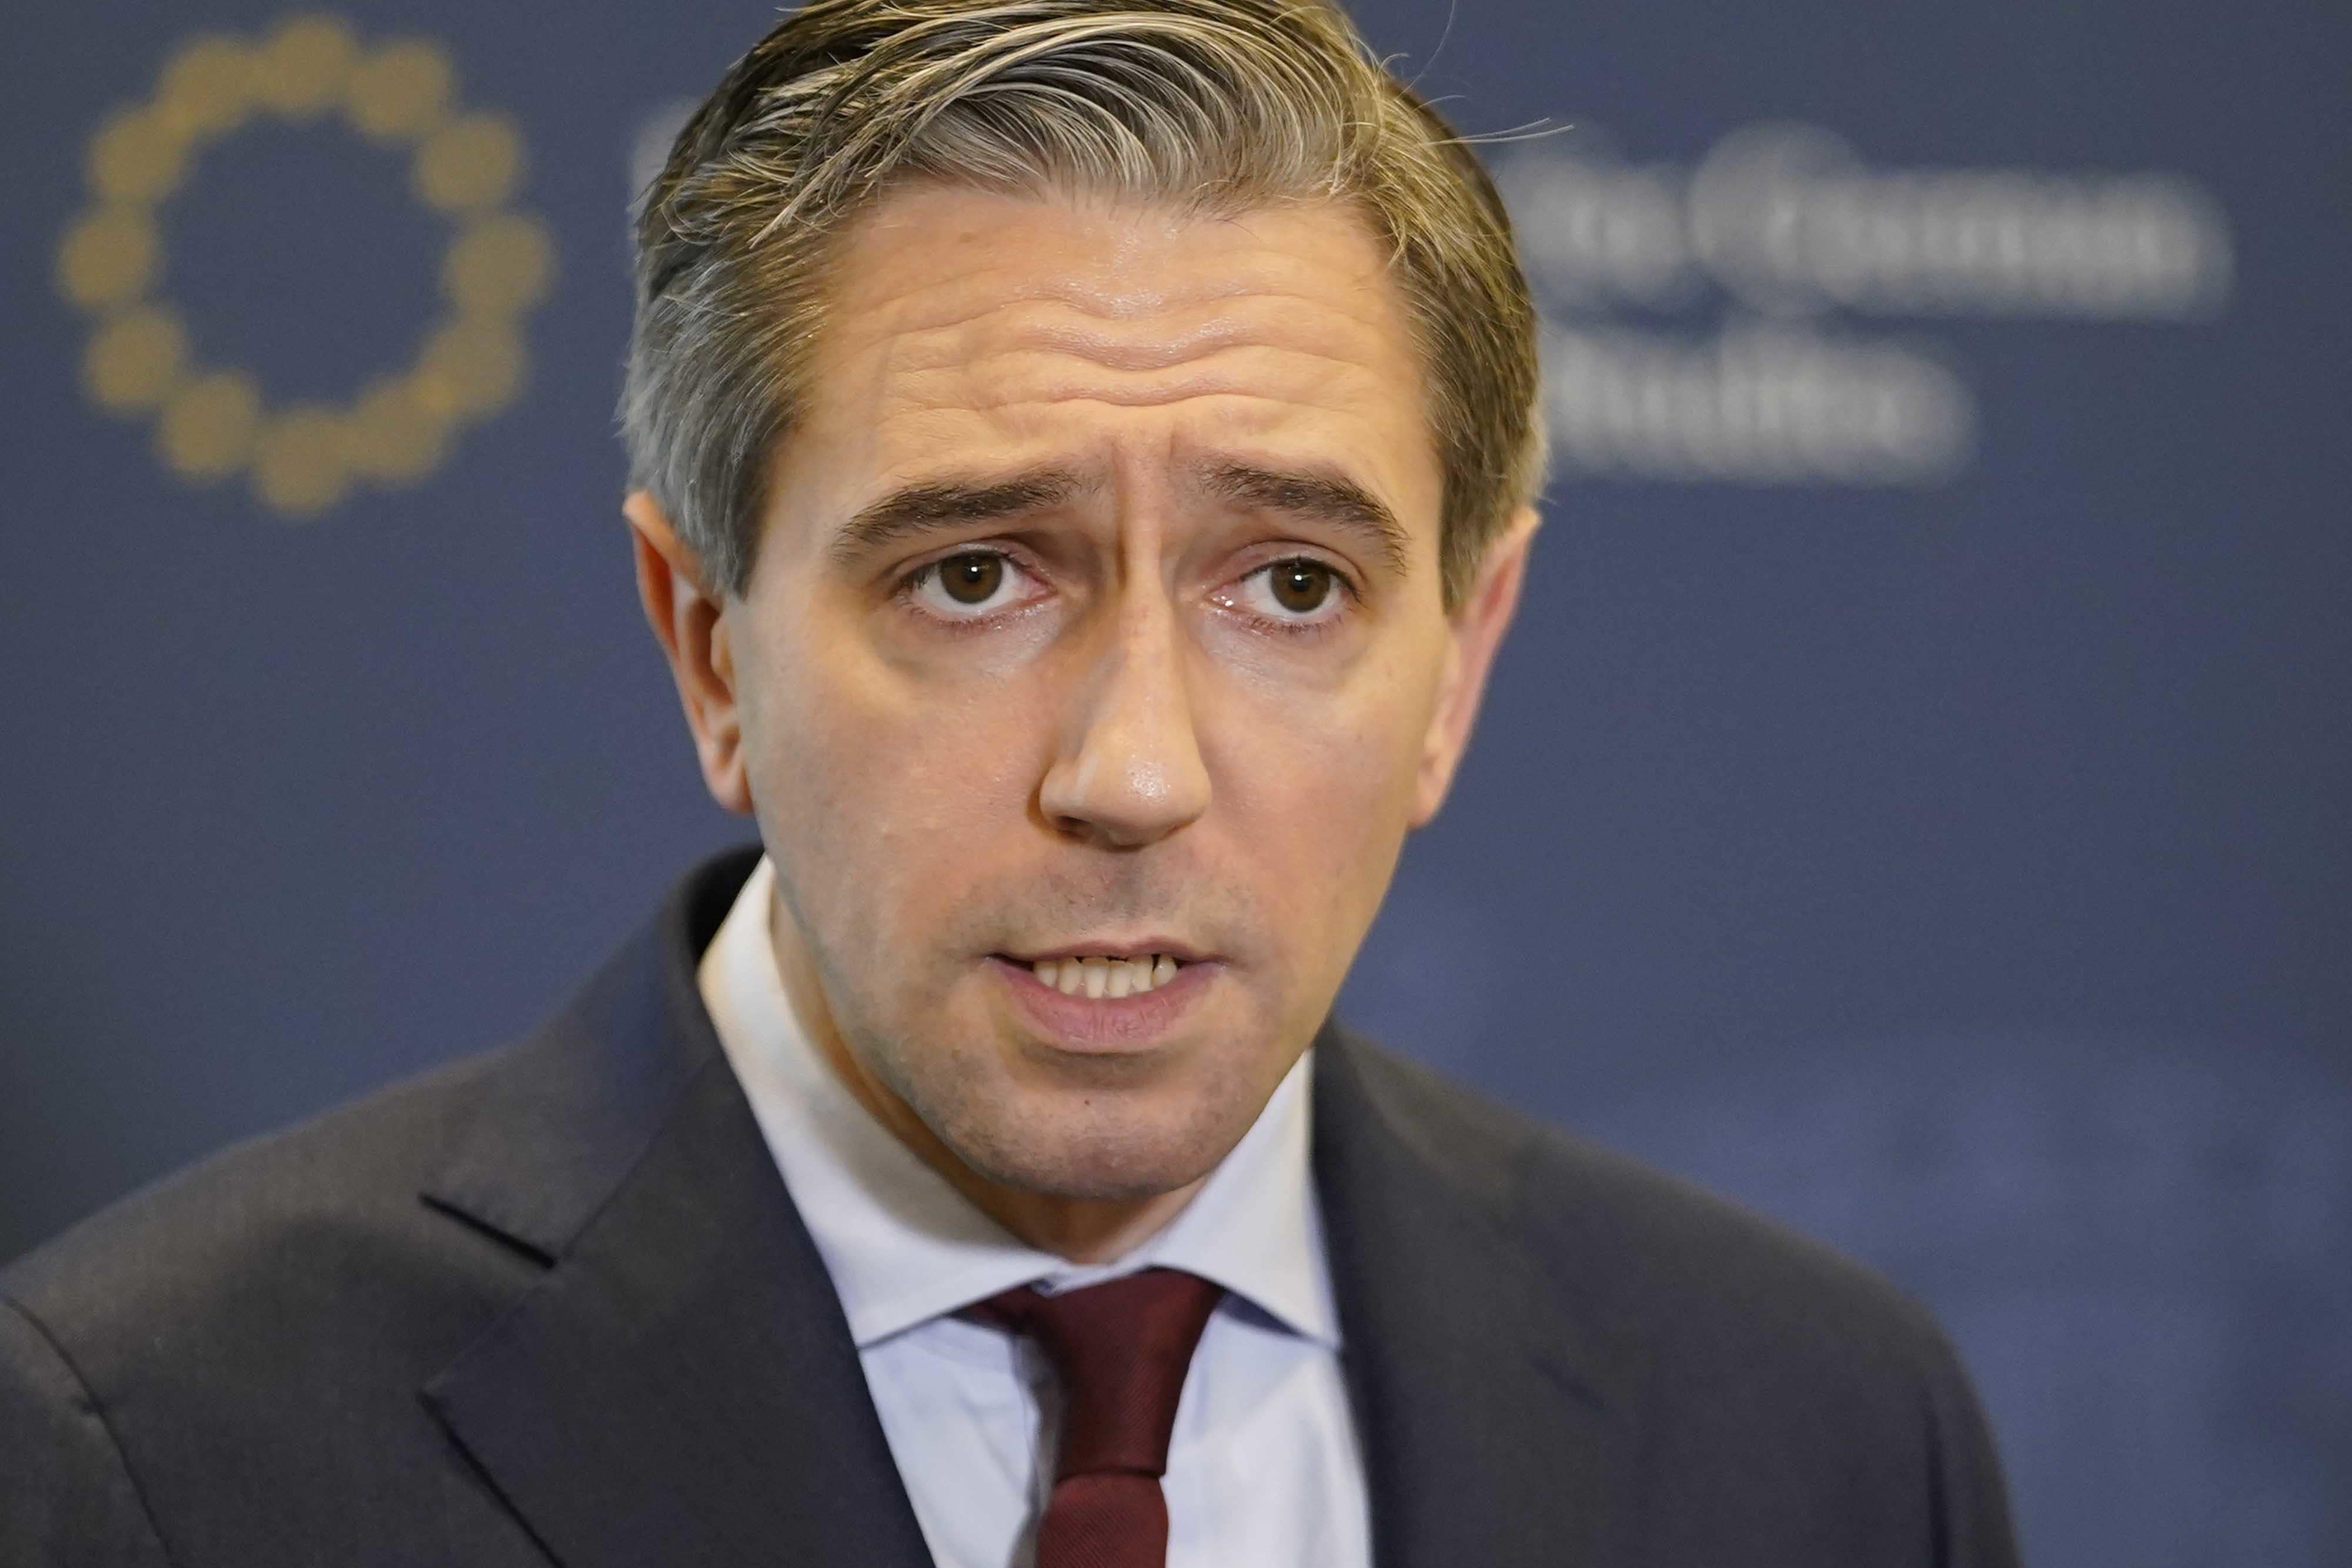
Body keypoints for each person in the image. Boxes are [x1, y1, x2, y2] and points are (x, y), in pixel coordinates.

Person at [0, 2, 2019, 1564]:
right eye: (973, 576)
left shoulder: (1819, 1434)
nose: (1133, 771)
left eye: (1292, 584)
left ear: (1459, 663)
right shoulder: (154, 1444)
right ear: (709, 640)